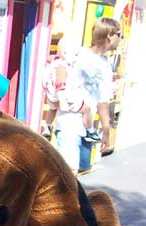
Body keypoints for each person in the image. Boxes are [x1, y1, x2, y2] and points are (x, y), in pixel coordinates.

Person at [53, 17, 122, 174]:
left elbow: (102, 101)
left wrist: (105, 130)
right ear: (109, 35)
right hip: (70, 121)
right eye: (119, 34)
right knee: (69, 173)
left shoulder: (105, 65)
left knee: (82, 170)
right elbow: (60, 72)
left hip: (88, 127)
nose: (120, 39)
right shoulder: (78, 54)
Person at [41, 37, 101, 144]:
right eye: (76, 54)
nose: (77, 57)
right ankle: (90, 131)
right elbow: (61, 85)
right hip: (68, 100)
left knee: (52, 109)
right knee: (86, 110)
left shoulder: (54, 64)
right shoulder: (62, 67)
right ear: (65, 53)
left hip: (55, 98)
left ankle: (47, 126)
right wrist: (64, 101)